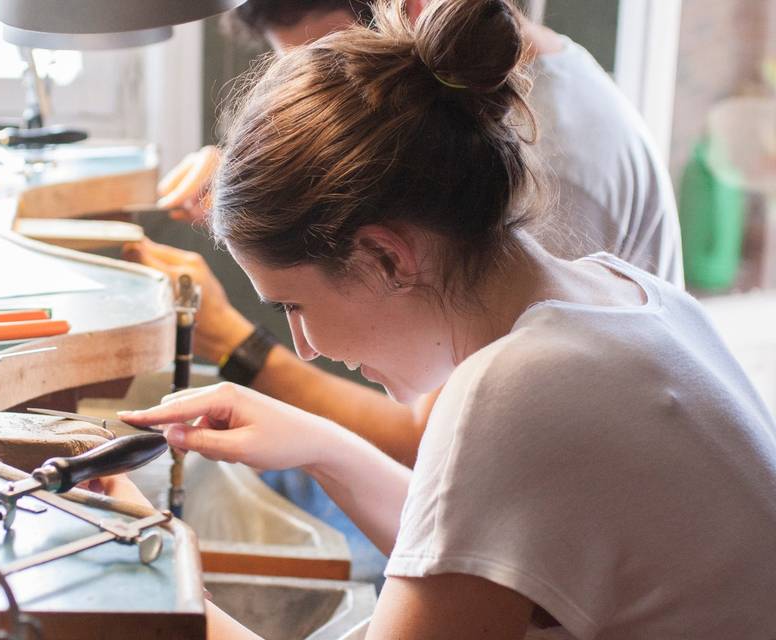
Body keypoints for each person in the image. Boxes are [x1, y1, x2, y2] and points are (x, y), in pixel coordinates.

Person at [118, 1, 776, 637]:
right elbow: (472, 547)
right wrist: (320, 446)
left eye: (295, 306)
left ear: (385, 256)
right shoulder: (613, 289)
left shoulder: (512, 391)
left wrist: (152, 577)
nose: (305, 347)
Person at [131, 0, 683, 469]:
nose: (324, 103)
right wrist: (270, 181)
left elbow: (435, 446)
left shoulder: (552, 170)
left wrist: (233, 344)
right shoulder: (504, 97)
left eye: (338, 68)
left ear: (412, 10)